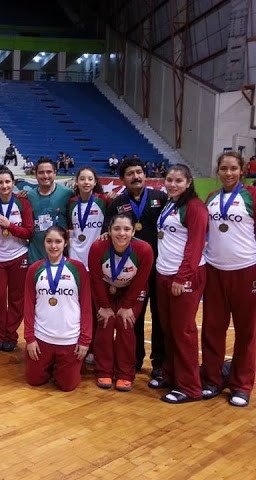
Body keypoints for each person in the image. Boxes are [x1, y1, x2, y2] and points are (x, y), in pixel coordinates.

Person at [103, 157, 167, 379]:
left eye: (139, 171)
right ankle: (134, 360)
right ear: (122, 179)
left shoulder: (161, 198)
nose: (136, 176)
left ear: (145, 173)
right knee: (133, 317)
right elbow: (106, 231)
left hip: (159, 268)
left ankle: (159, 363)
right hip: (129, 271)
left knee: (160, 316)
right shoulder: (117, 202)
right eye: (130, 173)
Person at [201, 152, 256, 407]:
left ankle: (241, 384)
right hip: (214, 270)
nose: (228, 173)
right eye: (224, 168)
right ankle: (212, 380)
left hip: (247, 270)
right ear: (218, 171)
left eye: (233, 168)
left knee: (247, 331)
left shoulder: (251, 196)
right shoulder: (211, 199)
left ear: (242, 170)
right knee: (212, 327)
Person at [154, 164, 207, 403]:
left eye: (178, 181)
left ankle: (190, 387)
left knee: (183, 331)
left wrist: (182, 277)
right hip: (164, 274)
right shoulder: (170, 203)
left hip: (183, 277)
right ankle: (172, 374)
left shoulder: (195, 207)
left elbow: (195, 247)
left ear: (188, 182)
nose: (172, 184)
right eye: (169, 180)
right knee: (169, 330)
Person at [89, 215, 153, 392]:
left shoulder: (144, 249)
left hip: (132, 290)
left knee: (125, 324)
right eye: (117, 228)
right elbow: (95, 278)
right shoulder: (98, 247)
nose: (121, 233)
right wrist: (103, 305)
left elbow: (141, 281)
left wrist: (126, 306)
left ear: (133, 232)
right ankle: (104, 370)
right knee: (105, 323)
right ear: (109, 231)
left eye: (126, 229)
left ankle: (125, 374)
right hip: (105, 288)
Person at [24, 226, 92, 391]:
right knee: (34, 380)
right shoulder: (34, 269)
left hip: (69, 339)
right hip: (42, 338)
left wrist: (84, 340)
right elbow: (28, 306)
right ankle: (53, 365)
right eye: (49, 241)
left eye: (58, 241)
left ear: (65, 243)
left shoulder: (78, 268)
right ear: (44, 243)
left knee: (67, 386)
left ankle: (62, 366)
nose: (53, 246)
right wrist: (30, 339)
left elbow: (87, 306)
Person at [0, 167, 34, 352]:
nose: (4, 185)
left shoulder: (23, 204)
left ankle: (11, 335)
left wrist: (10, 226)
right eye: (0, 182)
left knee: (16, 298)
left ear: (13, 183)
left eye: (8, 182)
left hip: (19, 255)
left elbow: (29, 231)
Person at [26, 158, 73, 263]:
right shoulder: (29, 196)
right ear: (35, 174)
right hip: (36, 257)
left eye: (49, 172)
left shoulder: (68, 194)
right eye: (41, 172)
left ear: (55, 173)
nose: (45, 176)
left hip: (61, 258)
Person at [67, 167, 109, 269]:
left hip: (97, 251)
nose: (86, 182)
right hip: (76, 252)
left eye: (90, 179)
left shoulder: (103, 200)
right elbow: (71, 228)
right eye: (82, 179)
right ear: (76, 182)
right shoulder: (72, 202)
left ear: (95, 182)